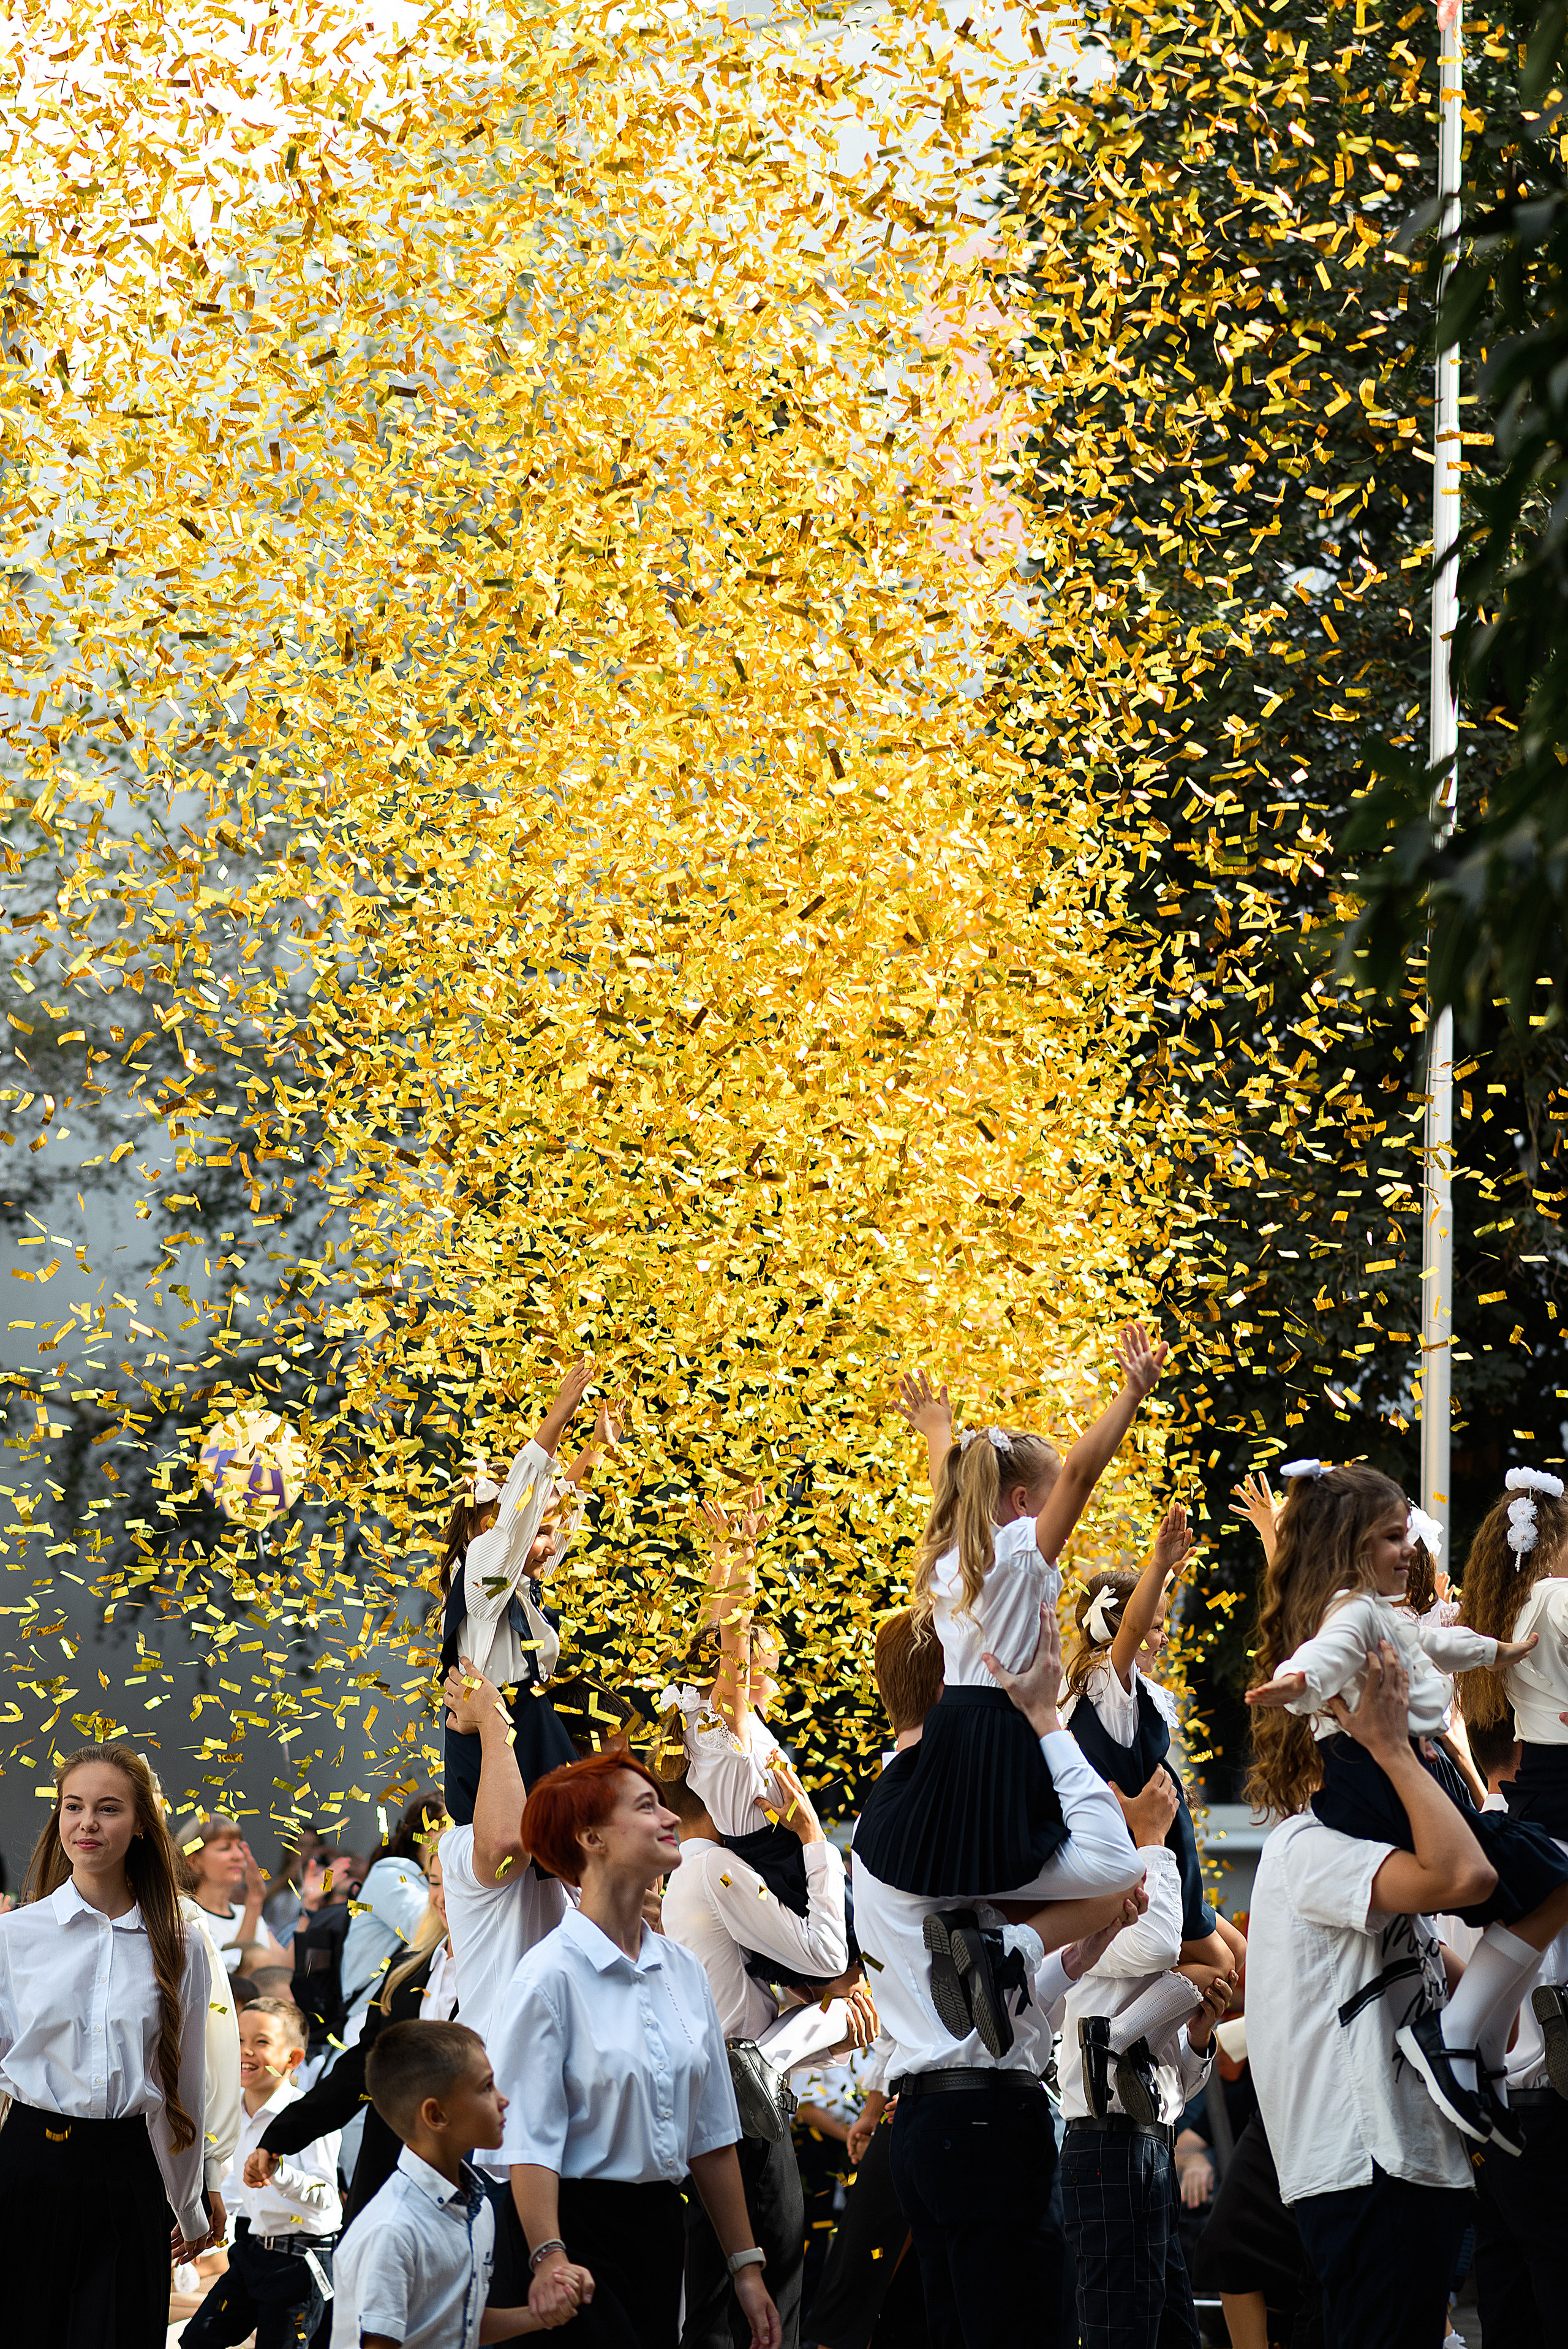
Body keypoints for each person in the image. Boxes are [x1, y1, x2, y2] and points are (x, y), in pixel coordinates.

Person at [851, 1601, 1149, 2349]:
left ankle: (1013, 1946)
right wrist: (1047, 1720)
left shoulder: (884, 1808)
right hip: (983, 2124)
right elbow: (1116, 1863)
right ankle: (1013, 1944)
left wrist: (1075, 1953)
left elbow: (971, 2009)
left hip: (930, 2115)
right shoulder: (945, 1801)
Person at [1245, 1459, 1568, 2147]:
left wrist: (1498, 1651)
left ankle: (1475, 2048)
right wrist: (1293, 1682)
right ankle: (1455, 2036)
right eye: (1394, 1539)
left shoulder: (1378, 1613)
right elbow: (1321, 1656)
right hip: (1377, 1782)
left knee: (1543, 1880)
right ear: (1352, 1546)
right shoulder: (1349, 1614)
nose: (1411, 1551)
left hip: (1416, 1777)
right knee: (1544, 1875)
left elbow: (1436, 1643)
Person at [1246, 1638, 1494, 2349]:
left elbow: (1468, 1971)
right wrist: (1389, 1751)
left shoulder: (1344, 1852)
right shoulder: (1306, 1849)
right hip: (1367, 2168)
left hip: (1402, 2167)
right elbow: (1467, 1878)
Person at [858, 1329, 1165, 1903]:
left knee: (969, 1867)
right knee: (1108, 1871)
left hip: (949, 1724)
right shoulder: (1022, 1550)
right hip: (1003, 1725)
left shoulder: (955, 1549)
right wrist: (1130, 1393)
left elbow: (946, 1486)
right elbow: (1080, 1472)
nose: (1064, 1517)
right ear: (1023, 1504)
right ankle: (1006, 1947)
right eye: (1051, 1501)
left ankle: (989, 1941)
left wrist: (937, 1431)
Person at [491, 1747, 783, 2348]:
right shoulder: (548, 1977)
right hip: (573, 2241)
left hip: (660, 2232)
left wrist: (745, 2269)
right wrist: (549, 2258)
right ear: (591, 1837)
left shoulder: (682, 1968)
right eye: (647, 1806)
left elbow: (711, 2135)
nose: (671, 1818)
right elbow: (529, 2141)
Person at [0, 1741, 217, 2346]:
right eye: (73, 1807)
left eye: (108, 1808)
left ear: (143, 1824)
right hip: (28, 2168)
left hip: (129, 2174)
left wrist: (190, 2204)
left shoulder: (183, 1942)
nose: (87, 1823)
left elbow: (186, 2083)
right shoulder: (14, 1936)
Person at [658, 1742, 862, 2348]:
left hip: (734, 2096)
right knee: (759, 2308)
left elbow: (767, 1992)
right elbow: (829, 1954)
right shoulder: (711, 1870)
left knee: (738, 2305)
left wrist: (827, 2019)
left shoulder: (687, 1875)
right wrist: (810, 1837)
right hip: (742, 2108)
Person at [1057, 1809, 1232, 2349]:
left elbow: (1175, 2088)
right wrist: (1154, 1839)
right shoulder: (1092, 1908)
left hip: (1152, 2145)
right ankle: (1107, 2038)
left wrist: (1200, 2039)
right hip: (1106, 2142)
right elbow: (1185, 1952)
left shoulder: (1158, 1946)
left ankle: (1111, 2039)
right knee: (1120, 2334)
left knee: (1173, 2333)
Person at [1062, 1502, 1245, 1974]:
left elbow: (1139, 1620)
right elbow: (1136, 1627)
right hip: (1145, 1849)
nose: (1163, 1639)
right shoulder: (1106, 1678)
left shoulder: (1121, 1685)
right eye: (1158, 1628)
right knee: (1223, 1967)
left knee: (1244, 1958)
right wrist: (1158, 1562)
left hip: (1171, 1847)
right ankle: (1124, 2032)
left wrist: (1166, 1575)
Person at [439, 1356, 617, 1827]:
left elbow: (557, 1520)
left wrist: (595, 1450)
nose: (548, 1546)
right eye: (537, 1533)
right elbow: (518, 1524)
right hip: (496, 1757)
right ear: (485, 1527)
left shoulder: (515, 1583)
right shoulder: (483, 1573)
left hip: (529, 1735)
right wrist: (559, 1414)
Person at [254, 1839, 462, 2233]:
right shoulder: (406, 1970)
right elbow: (363, 2067)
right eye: (435, 1883)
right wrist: (281, 2135)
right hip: (389, 2170)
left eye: (455, 1883)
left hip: (463, 2177)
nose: (443, 1898)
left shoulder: (501, 1972)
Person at [658, 1489, 821, 1961]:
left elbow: (709, 1630)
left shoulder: (697, 1711)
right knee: (847, 1984)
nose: (772, 1679)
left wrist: (722, 1555)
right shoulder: (726, 1722)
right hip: (778, 1867)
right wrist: (748, 1556)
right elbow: (730, 1636)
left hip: (770, 1860)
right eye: (765, 1668)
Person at [331, 2018, 547, 2347]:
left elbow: (457, 2324)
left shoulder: (478, 2206)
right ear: (436, 2115)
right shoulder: (393, 2229)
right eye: (487, 2087)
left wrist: (542, 2315)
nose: (503, 2100)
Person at [184, 1996, 341, 2349]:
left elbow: (330, 2201)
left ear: (293, 2059)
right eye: (239, 2039)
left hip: (301, 2260)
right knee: (198, 2339)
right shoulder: (231, 2114)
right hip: (252, 2252)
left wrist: (280, 2175)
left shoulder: (310, 2118)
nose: (246, 2051)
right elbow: (236, 2192)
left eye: (262, 2042)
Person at [341, 1790, 449, 2041]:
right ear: (424, 1834)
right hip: (367, 2021)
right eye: (450, 1825)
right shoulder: (390, 1876)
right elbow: (431, 1930)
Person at [173, 1809, 292, 1975]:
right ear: (194, 1860)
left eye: (240, 1846)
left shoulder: (245, 1912)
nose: (238, 1856)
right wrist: (254, 1902)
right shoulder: (185, 1913)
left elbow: (284, 1970)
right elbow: (232, 1976)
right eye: (225, 1848)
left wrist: (309, 1908)